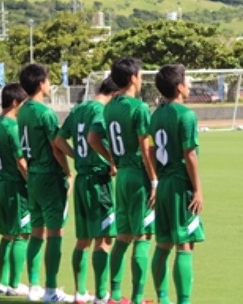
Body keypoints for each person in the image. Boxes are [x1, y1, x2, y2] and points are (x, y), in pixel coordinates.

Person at [93, 57, 157, 304]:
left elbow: (94, 137)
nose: (141, 80)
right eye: (140, 75)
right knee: (142, 236)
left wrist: (112, 159)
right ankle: (138, 298)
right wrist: (154, 180)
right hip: (138, 175)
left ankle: (115, 295)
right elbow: (145, 145)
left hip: (121, 176)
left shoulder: (109, 107)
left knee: (123, 236)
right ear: (132, 78)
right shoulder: (138, 108)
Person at [54, 77, 120, 304]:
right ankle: (102, 295)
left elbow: (59, 140)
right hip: (97, 180)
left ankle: (79, 293)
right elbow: (94, 139)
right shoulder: (101, 111)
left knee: (83, 239)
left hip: (82, 179)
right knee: (103, 239)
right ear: (116, 93)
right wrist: (111, 160)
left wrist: (75, 156)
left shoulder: (80, 108)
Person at [147, 64, 205, 304]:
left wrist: (156, 180)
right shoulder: (186, 115)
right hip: (181, 184)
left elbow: (150, 149)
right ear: (180, 87)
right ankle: (183, 301)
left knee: (162, 243)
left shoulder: (157, 114)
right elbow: (189, 154)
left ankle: (162, 298)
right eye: (187, 81)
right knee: (184, 244)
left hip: (163, 184)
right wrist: (198, 189)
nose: (189, 85)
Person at [17, 63, 74, 302]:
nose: (50, 85)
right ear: (41, 84)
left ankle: (34, 286)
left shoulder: (22, 110)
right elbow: (56, 145)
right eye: (48, 81)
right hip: (49, 175)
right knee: (54, 233)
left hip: (33, 176)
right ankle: (50, 289)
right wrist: (70, 166)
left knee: (36, 232)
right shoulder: (44, 112)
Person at [0, 82, 31, 296]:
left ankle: (3, 282)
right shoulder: (13, 126)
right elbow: (21, 161)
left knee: (6, 235)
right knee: (22, 234)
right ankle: (14, 284)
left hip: (0, 184)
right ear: (15, 102)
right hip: (15, 185)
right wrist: (32, 183)